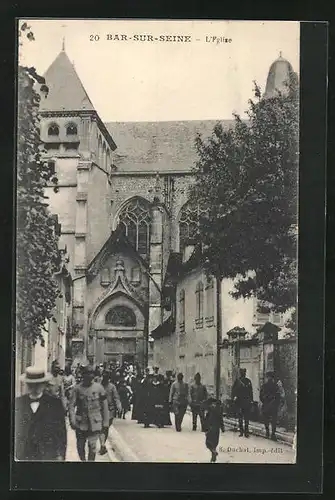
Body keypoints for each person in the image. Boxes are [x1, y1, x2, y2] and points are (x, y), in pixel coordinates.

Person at [15, 366, 67, 461]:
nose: (34, 388)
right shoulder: (18, 403)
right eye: (31, 385)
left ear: (44, 384)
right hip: (24, 455)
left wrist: (61, 455)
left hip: (48, 454)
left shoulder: (55, 403)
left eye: (38, 384)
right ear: (26, 384)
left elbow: (61, 432)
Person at [69, 364, 109, 461]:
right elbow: (71, 405)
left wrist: (105, 423)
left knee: (93, 447)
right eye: (87, 374)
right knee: (80, 446)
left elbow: (104, 406)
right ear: (83, 375)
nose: (89, 377)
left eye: (91, 374)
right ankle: (83, 461)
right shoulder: (77, 389)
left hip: (95, 423)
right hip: (81, 423)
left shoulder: (99, 388)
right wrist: (72, 420)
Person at [99, 371, 122, 455]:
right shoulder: (98, 386)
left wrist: (119, 406)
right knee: (102, 428)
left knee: (105, 427)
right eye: (103, 376)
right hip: (99, 410)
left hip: (110, 410)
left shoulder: (112, 387)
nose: (104, 379)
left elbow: (116, 397)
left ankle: (102, 444)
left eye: (106, 377)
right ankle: (102, 445)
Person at [231, 368, 253, 438]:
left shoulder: (237, 381)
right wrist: (251, 400)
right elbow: (250, 392)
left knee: (241, 417)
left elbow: (233, 391)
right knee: (246, 418)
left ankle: (242, 432)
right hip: (245, 402)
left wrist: (234, 398)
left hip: (240, 402)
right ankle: (245, 432)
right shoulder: (248, 381)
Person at [260, 371, 281, 441]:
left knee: (266, 420)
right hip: (273, 406)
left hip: (266, 405)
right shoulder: (276, 386)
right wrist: (276, 403)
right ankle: (273, 434)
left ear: (268, 377)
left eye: (267, 377)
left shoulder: (264, 386)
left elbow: (261, 396)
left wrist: (265, 401)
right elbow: (278, 396)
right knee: (273, 421)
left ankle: (267, 433)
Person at [204, 396, 225, 463]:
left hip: (211, 427)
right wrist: (222, 427)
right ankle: (213, 456)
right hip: (216, 428)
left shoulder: (210, 409)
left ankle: (213, 452)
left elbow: (206, 419)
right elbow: (220, 419)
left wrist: (205, 428)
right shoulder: (219, 409)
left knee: (208, 443)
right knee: (214, 443)